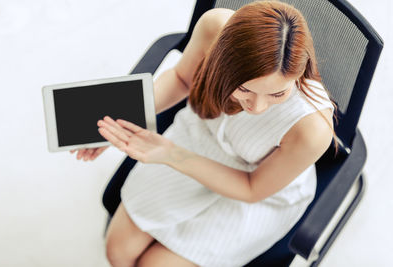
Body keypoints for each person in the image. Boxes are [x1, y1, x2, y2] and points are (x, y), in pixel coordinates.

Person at [71, 1, 337, 266]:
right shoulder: (215, 27)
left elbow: (252, 188)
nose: (257, 107)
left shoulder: (313, 128)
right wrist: (117, 121)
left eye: (278, 93)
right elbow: (181, 79)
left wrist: (170, 154)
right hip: (198, 140)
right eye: (244, 89)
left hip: (252, 193)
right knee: (118, 252)